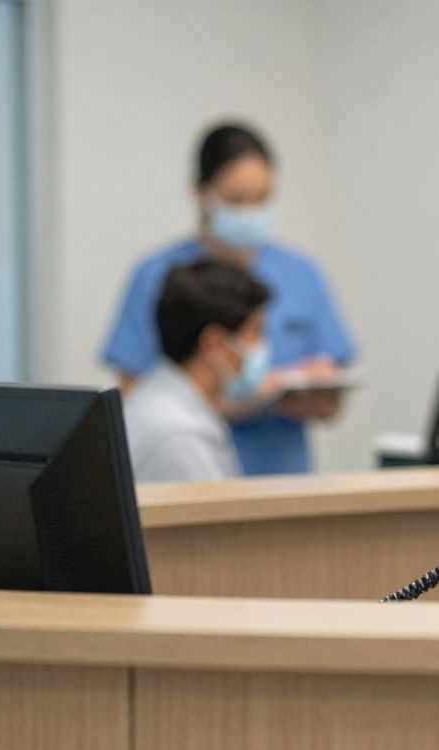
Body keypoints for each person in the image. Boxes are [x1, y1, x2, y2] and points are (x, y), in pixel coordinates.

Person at [102, 122, 355, 475]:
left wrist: (279, 392)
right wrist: (249, 395)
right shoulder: (159, 276)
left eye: (261, 198)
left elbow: (332, 400)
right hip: (187, 462)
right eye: (236, 200)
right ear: (201, 192)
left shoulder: (301, 274)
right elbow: (136, 396)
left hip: (279, 474)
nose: (250, 212)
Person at [123, 260, 270, 483]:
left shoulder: (162, 399)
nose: (261, 347)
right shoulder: (180, 435)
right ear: (215, 344)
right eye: (256, 332)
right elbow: (214, 506)